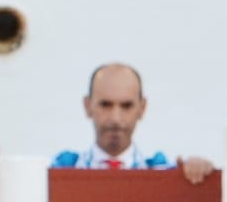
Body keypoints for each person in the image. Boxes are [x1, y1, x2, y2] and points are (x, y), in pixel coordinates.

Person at [52, 62, 214, 183]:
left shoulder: (164, 174)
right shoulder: (58, 172)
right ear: (88, 106)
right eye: (105, 105)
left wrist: (198, 172)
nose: (116, 118)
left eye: (126, 106)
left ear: (142, 108)